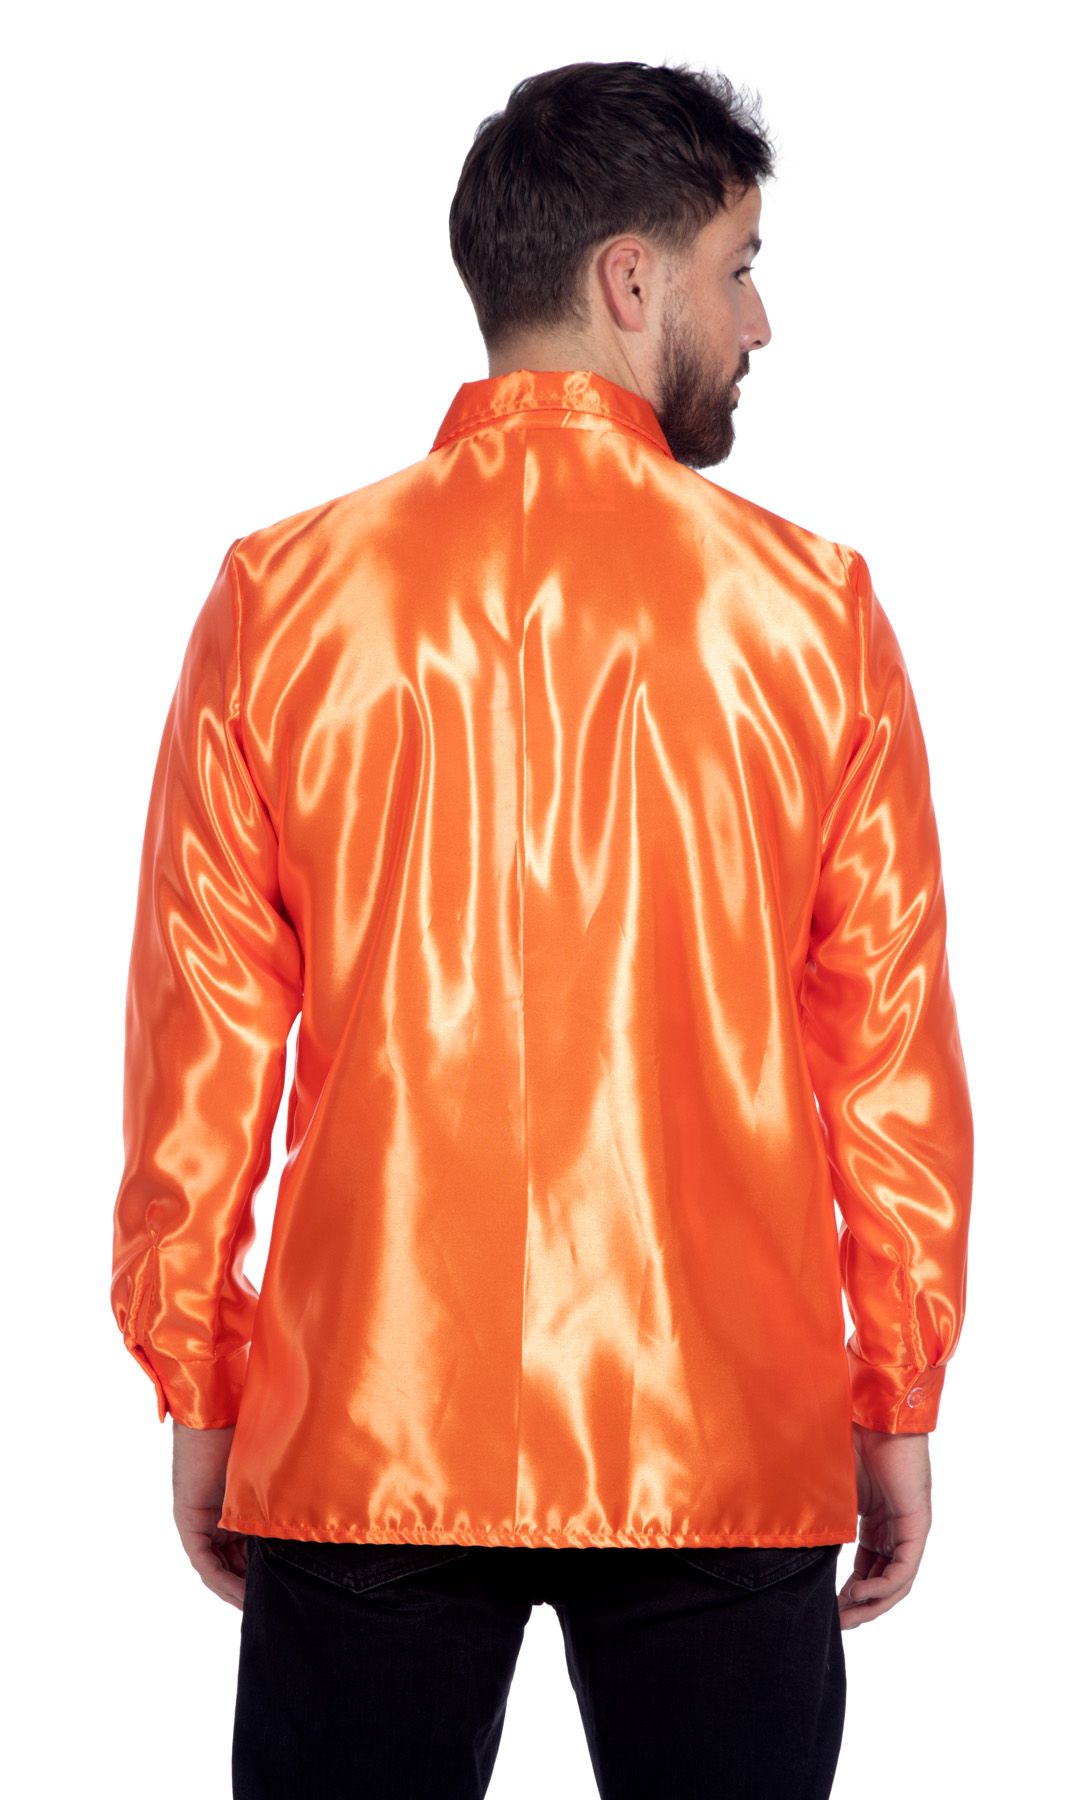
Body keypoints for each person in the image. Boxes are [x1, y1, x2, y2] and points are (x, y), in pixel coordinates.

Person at [110, 59, 973, 1800]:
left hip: (368, 1427)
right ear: (629, 279)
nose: (762, 321)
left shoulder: (284, 600)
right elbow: (886, 1057)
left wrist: (201, 1380)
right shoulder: (810, 615)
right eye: (740, 266)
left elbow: (201, 1041)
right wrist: (893, 1392)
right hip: (721, 1438)